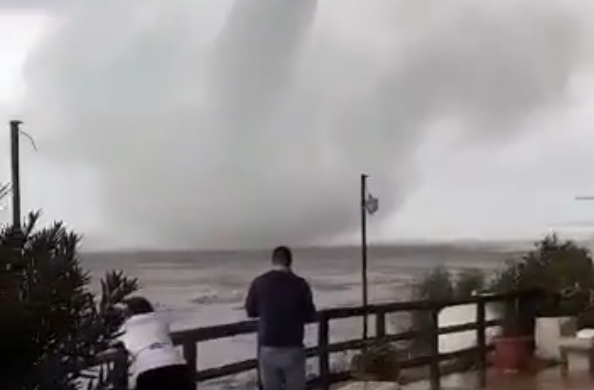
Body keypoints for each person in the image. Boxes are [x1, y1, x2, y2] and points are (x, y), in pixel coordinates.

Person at [245, 246, 317, 390]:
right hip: (293, 345)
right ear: (290, 262)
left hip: (268, 346)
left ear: (273, 261)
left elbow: (251, 312)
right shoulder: (300, 284)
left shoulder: (259, 282)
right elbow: (310, 315)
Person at [117, 296, 194, 390]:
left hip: (148, 368)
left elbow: (108, 340)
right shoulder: (161, 319)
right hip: (178, 364)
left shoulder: (124, 327)